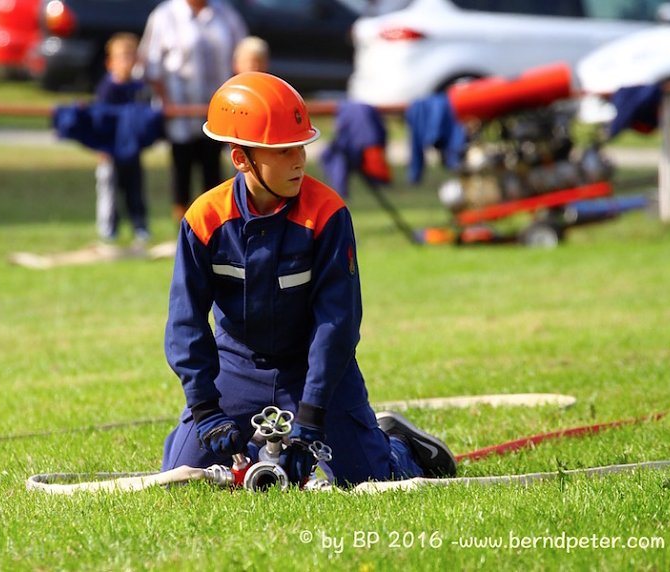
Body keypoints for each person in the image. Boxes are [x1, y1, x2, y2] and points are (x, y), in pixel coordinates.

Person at [161, 72, 457, 487]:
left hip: (312, 371)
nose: (299, 159)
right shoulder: (204, 219)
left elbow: (337, 323)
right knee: (182, 476)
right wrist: (206, 407)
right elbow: (185, 321)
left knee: (366, 480)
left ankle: (398, 446)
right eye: (282, 151)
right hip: (237, 367)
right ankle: (249, 450)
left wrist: (313, 412)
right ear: (241, 158)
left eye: (300, 145)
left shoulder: (327, 214)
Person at [139, 0, 247, 223]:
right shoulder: (165, 15)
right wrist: (167, 103)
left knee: (214, 175)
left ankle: (217, 231)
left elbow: (242, 55)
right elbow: (151, 66)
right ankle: (184, 232)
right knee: (182, 174)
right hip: (180, 114)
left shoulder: (225, 13)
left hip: (218, 114)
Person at [93, 32, 151, 243]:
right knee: (110, 190)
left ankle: (140, 227)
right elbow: (100, 120)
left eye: (130, 56)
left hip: (132, 151)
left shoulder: (139, 88)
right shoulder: (107, 89)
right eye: (121, 57)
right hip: (110, 151)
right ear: (110, 62)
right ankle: (109, 229)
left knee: (135, 190)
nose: (126, 62)